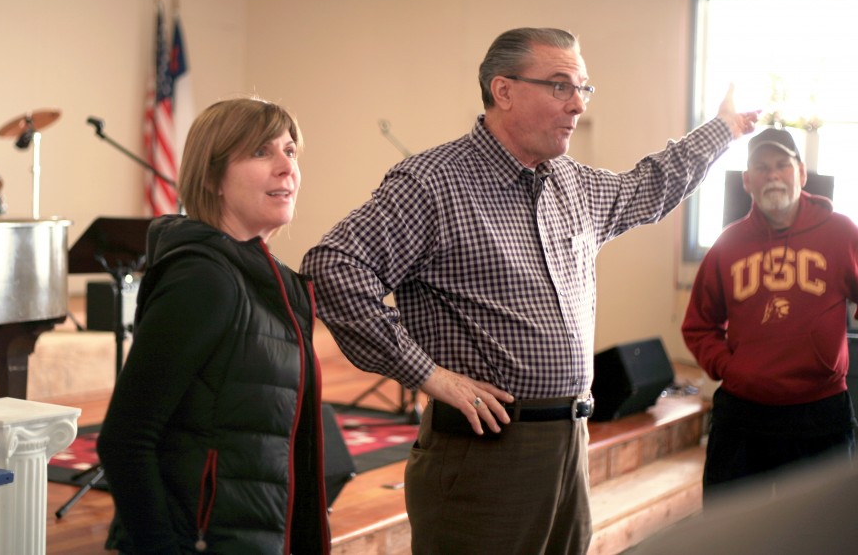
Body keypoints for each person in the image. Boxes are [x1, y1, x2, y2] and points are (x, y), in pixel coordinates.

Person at [300, 27, 758, 555]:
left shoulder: (574, 184)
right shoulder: (434, 183)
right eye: (561, 86)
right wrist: (428, 375)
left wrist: (722, 130)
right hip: (486, 453)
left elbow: (649, 185)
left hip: (568, 442)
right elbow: (334, 269)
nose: (577, 106)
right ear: (504, 91)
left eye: (583, 89)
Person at [96, 97, 331, 555]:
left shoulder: (272, 279)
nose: (287, 167)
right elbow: (125, 440)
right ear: (211, 178)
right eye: (262, 152)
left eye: (291, 151)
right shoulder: (203, 279)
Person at [681, 126, 858, 504]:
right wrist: (731, 368)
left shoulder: (841, 233)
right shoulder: (727, 245)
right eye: (761, 167)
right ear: (747, 181)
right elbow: (698, 325)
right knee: (731, 533)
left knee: (821, 534)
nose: (773, 175)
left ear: (802, 173)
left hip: (820, 412)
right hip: (744, 416)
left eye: (782, 165)